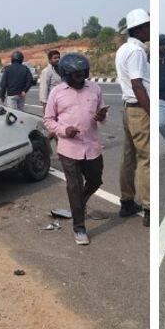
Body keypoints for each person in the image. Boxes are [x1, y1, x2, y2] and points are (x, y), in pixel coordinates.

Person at [43, 54, 108, 245]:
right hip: (68, 148)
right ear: (66, 74)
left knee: (96, 180)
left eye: (83, 74)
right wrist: (64, 130)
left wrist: (101, 117)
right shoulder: (56, 92)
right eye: (76, 75)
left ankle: (78, 204)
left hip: (92, 146)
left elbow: (103, 115)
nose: (81, 78)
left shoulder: (95, 88)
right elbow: (48, 120)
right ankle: (79, 228)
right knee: (74, 186)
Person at [115, 8, 150, 227]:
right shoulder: (137, 52)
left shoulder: (123, 49)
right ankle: (149, 207)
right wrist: (150, 111)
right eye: (148, 26)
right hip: (138, 109)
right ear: (140, 28)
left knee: (128, 157)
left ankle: (127, 201)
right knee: (146, 158)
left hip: (128, 109)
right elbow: (137, 83)